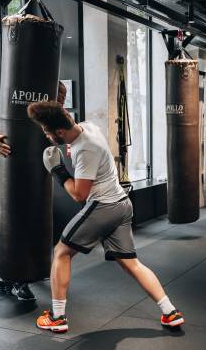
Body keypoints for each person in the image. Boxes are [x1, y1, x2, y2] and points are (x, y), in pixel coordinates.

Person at [27, 100, 184, 333]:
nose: (47, 137)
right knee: (132, 263)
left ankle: (57, 318)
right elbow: (72, 139)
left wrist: (57, 171)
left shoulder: (84, 150)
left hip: (104, 207)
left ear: (60, 132)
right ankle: (170, 312)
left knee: (61, 252)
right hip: (122, 203)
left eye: (48, 133)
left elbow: (79, 195)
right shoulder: (89, 126)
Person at [0, 81, 68, 301]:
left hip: (43, 181)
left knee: (39, 228)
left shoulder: (60, 118)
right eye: (58, 96)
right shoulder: (22, 115)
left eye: (62, 98)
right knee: (18, 228)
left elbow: (71, 138)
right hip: (16, 182)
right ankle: (18, 280)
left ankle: (37, 270)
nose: (61, 101)